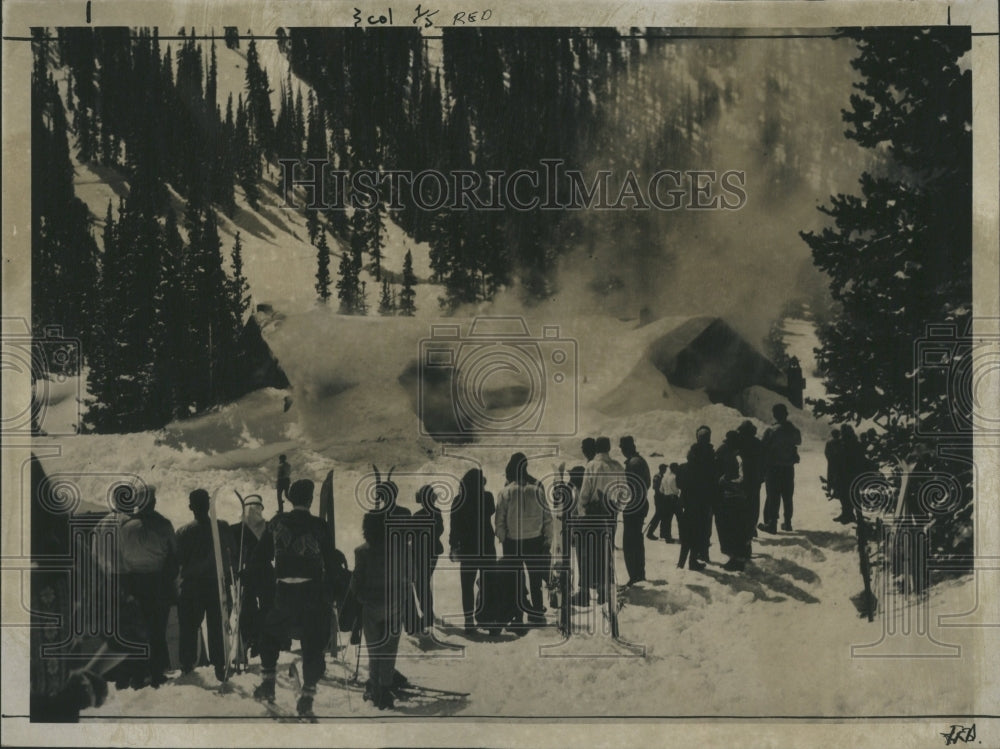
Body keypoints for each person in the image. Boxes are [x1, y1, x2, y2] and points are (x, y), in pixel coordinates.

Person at [249, 479, 340, 718]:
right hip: (312, 592)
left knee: (269, 634)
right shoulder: (320, 526)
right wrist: (336, 589)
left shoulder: (276, 523)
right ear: (310, 500)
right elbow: (331, 562)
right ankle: (307, 697)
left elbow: (260, 557)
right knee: (313, 642)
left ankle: (268, 684)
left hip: (283, 593)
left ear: (291, 499)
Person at [117, 486, 177, 688]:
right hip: (158, 582)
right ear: (153, 502)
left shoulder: (125, 527)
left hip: (132, 583)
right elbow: (173, 557)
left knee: (136, 630)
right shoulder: (164, 525)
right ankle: (157, 673)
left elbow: (120, 556)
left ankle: (137, 675)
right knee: (157, 630)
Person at [175, 489, 235, 682]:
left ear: (191, 507)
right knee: (218, 625)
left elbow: (178, 560)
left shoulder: (183, 532)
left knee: (189, 628)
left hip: (192, 587)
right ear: (209, 505)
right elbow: (232, 553)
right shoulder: (223, 527)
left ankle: (187, 666)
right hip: (217, 585)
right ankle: (219, 665)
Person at [351, 511, 406, 710]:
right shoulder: (399, 549)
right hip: (394, 605)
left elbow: (356, 582)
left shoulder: (361, 551)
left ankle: (374, 687)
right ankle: (385, 689)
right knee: (389, 648)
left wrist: (361, 598)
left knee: (374, 649)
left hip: (371, 606)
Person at [495, 453, 552, 628]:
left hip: (513, 542)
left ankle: (517, 617)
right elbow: (547, 518)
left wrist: (503, 538)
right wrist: (547, 539)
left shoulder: (506, 491)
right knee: (535, 580)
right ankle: (537, 615)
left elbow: (499, 520)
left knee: (515, 580)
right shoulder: (537, 489)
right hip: (535, 540)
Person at [575, 437, 624, 604]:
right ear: (609, 448)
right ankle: (604, 591)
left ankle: (584, 592)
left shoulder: (592, 466)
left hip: (592, 515)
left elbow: (585, 493)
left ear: (596, 449)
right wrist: (616, 508)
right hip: (610, 514)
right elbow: (624, 492)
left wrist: (581, 511)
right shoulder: (617, 466)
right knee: (606, 551)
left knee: (587, 552)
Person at [449, 468, 497, 633]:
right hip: (486, 547)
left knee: (467, 586)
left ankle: (469, 621)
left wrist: (453, 545)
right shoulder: (487, 497)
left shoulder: (458, 500)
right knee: (488, 584)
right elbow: (491, 510)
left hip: (468, 549)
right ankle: (490, 620)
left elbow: (454, 527)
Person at [231, 496, 267, 658]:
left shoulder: (236, 529)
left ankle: (249, 640)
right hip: (262, 572)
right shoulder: (268, 528)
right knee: (262, 606)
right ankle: (258, 639)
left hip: (246, 573)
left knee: (247, 606)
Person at [677, 426, 717, 570]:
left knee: (688, 532)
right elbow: (713, 480)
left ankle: (681, 562)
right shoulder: (710, 461)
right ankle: (697, 558)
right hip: (704, 502)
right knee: (702, 530)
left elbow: (679, 484)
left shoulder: (684, 468)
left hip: (688, 503)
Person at [759, 403, 802, 533]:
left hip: (773, 469)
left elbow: (762, 448)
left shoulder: (771, 431)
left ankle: (772, 524)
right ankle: (788, 523)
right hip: (788, 468)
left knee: (773, 495)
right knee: (788, 496)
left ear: (775, 415)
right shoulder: (793, 430)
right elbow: (798, 441)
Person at [715, 431, 751, 571]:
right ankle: (738, 557)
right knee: (737, 528)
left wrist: (724, 481)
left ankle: (737, 560)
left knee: (732, 528)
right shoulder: (735, 454)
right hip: (736, 497)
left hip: (732, 497)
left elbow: (740, 479)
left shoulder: (736, 457)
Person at [411, 485, 444, 634]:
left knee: (420, 583)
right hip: (433, 552)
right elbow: (440, 530)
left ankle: (428, 614)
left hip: (419, 553)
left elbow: (410, 534)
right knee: (424, 581)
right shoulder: (437, 512)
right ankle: (428, 612)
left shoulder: (417, 515)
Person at [619, 436, 650, 586]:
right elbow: (647, 484)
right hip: (641, 504)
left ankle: (635, 576)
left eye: (622, 447)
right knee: (637, 540)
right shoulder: (640, 461)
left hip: (634, 507)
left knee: (630, 543)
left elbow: (630, 488)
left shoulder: (633, 463)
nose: (621, 450)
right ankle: (639, 574)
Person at [834, 425, 868, 523]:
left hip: (847, 474)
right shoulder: (855, 444)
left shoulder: (843, 444)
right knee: (853, 495)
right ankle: (854, 515)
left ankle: (849, 515)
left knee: (845, 495)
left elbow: (839, 459)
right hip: (854, 474)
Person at [737, 420, 764, 539]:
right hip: (756, 477)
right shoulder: (758, 443)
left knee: (743, 503)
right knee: (754, 503)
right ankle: (752, 527)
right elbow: (765, 460)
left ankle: (744, 527)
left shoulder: (739, 443)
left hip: (743, 476)